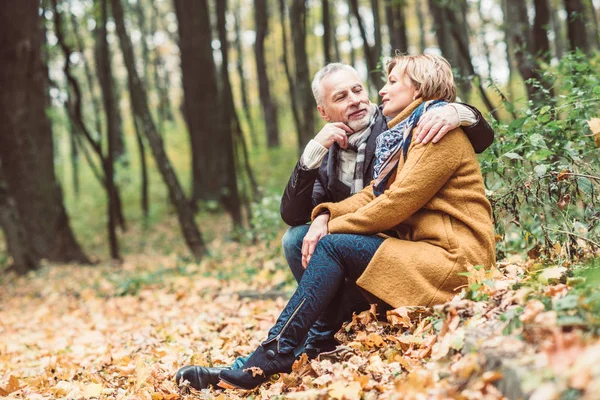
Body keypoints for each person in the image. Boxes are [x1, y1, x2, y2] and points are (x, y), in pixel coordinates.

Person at [175, 62, 495, 390]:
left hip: (455, 262)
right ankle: (295, 347)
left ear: (418, 88)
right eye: (342, 96)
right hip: (419, 254)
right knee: (297, 239)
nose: (375, 93)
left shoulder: (430, 127)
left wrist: (461, 111)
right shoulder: (403, 132)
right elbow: (372, 194)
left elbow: (394, 204)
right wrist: (324, 215)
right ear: (324, 111)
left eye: (389, 83)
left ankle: (275, 354)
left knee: (328, 245)